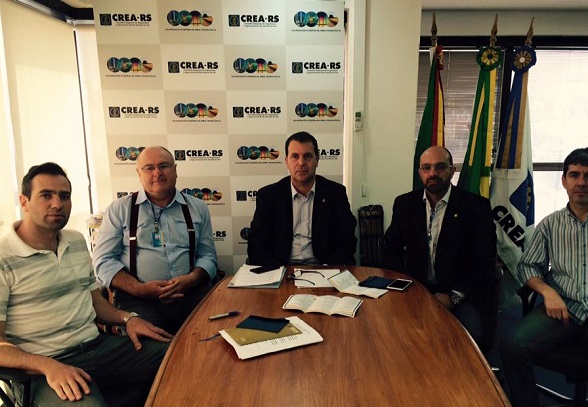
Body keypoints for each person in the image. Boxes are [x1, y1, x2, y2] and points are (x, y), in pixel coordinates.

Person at [0, 162, 172, 406]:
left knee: (179, 356)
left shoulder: (76, 241)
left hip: (98, 347)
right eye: (46, 195)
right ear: (24, 201)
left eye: (64, 196)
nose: (57, 204)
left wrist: (128, 319)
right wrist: (47, 366)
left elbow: (95, 303)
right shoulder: (3, 257)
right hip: (43, 368)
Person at [501, 147, 588, 407]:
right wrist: (548, 292)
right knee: (512, 346)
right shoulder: (550, 224)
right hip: (563, 308)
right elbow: (529, 267)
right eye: (574, 175)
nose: (581, 182)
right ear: (564, 180)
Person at [93, 146, 218, 334]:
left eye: (164, 166)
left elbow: (208, 255)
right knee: (151, 347)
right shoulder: (119, 210)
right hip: (138, 301)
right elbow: (103, 261)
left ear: (175, 170)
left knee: (210, 338)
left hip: (192, 294)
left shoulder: (198, 208)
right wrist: (139, 289)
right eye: (149, 168)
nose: (157, 173)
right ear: (139, 174)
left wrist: (192, 279)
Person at [382, 146, 496, 345]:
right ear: (420, 173)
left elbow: (484, 261)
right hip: (416, 290)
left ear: (452, 171)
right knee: (390, 332)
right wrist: (408, 287)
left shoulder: (476, 207)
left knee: (470, 338)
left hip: (460, 294)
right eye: (426, 168)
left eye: (440, 167)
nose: (432, 173)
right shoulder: (405, 204)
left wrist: (453, 297)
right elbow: (390, 251)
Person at [247, 131, 357, 266]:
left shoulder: (335, 193)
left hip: (323, 269)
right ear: (286, 162)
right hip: (281, 269)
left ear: (317, 160)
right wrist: (277, 270)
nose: (301, 162)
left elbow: (348, 241)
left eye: (307, 156)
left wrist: (328, 268)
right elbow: (256, 245)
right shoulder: (268, 196)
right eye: (295, 156)